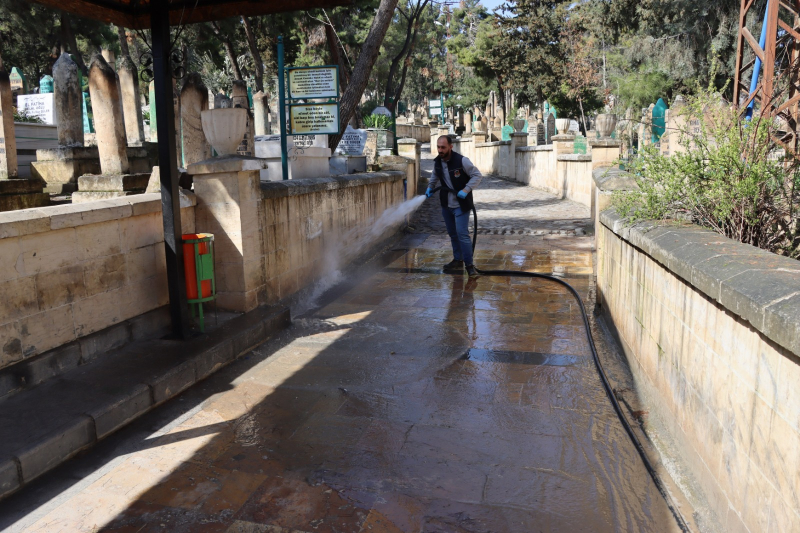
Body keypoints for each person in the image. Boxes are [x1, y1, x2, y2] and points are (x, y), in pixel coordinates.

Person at [426, 135, 483, 276]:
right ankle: (458, 260)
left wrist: (466, 190)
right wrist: (430, 187)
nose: (440, 150)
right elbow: (434, 176)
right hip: (447, 205)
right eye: (438, 147)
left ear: (451, 146)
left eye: (443, 147)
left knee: (462, 234)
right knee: (453, 234)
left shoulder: (461, 160)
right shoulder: (438, 162)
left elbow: (477, 175)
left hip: (461, 204)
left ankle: (469, 265)